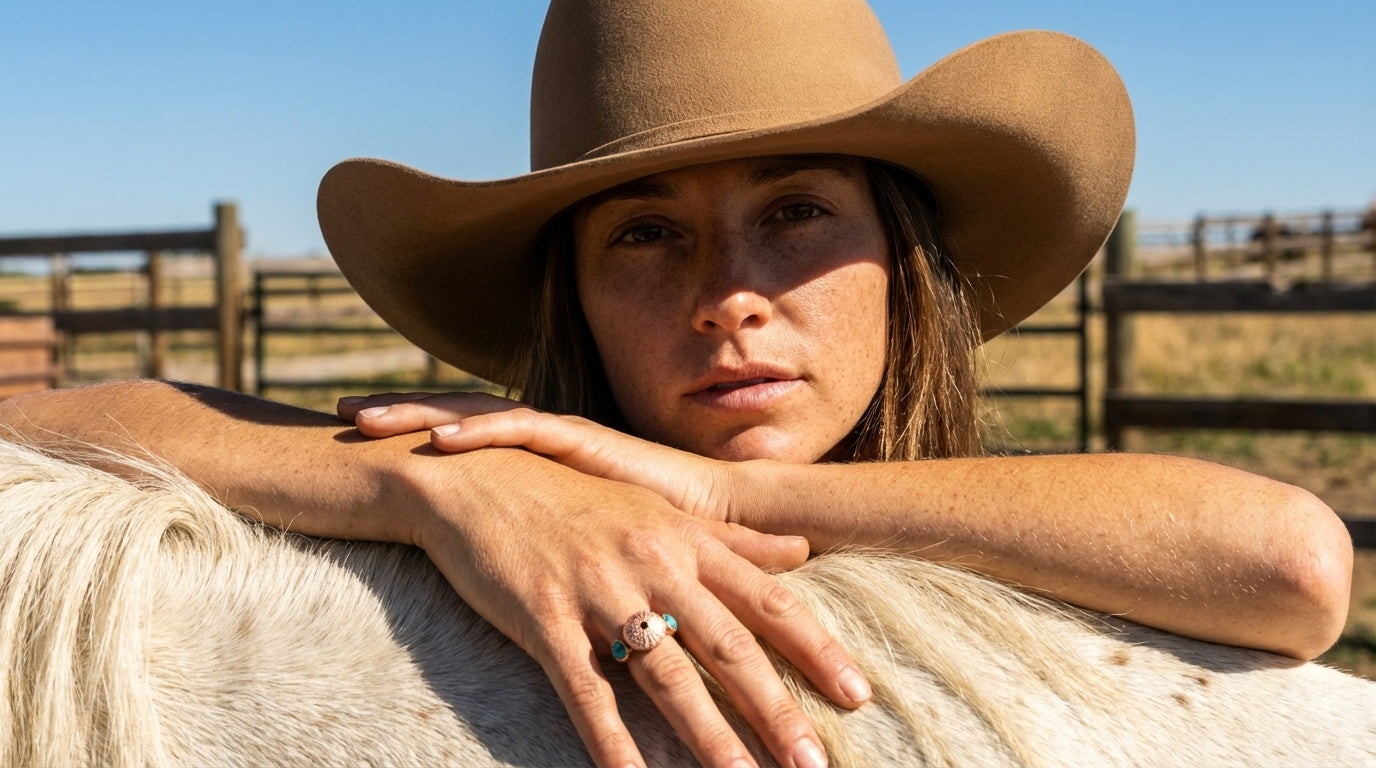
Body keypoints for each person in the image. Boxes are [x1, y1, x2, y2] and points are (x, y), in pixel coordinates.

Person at [0, 2, 1353, 767]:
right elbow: (27, 421)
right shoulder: (517, 484)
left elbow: (1294, 564)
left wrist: (721, 488)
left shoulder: (1010, 508)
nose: (729, 293)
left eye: (802, 211)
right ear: (572, 291)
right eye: (644, 233)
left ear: (904, 262)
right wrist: (413, 483)